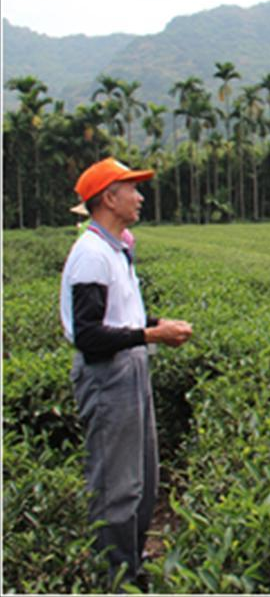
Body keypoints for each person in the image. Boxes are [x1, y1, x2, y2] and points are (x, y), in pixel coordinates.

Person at [59, 157, 193, 587]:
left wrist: (154, 324)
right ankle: (114, 579)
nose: (139, 197)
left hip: (131, 369)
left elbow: (121, 313)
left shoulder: (115, 249)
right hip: (108, 376)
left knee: (141, 481)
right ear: (108, 198)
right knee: (117, 487)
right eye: (131, 189)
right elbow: (91, 336)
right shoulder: (92, 255)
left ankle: (132, 568)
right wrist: (152, 336)